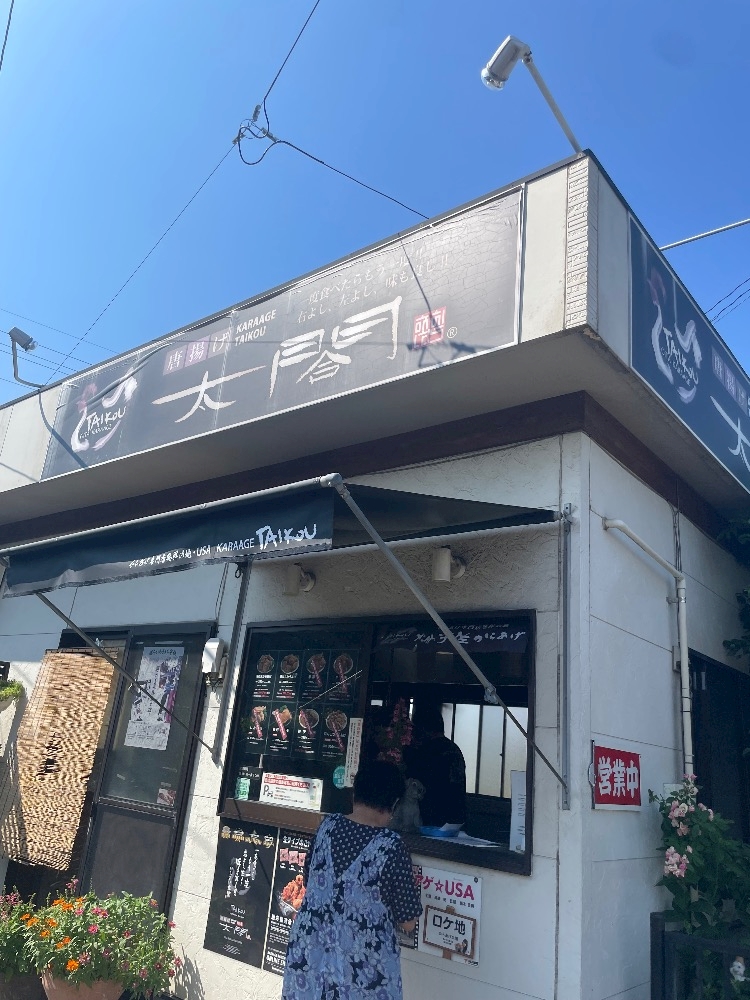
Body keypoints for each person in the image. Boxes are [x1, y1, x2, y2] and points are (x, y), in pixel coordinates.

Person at [283, 760, 422, 1000]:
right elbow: (408, 922)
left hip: (309, 956)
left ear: (355, 793)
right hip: (360, 970)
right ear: (394, 804)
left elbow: (309, 880)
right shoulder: (391, 846)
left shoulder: (327, 827)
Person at [403, 702, 466, 828]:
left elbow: (412, 777)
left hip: (431, 815)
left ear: (423, 728)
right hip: (456, 814)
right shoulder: (453, 748)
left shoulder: (427, 750)